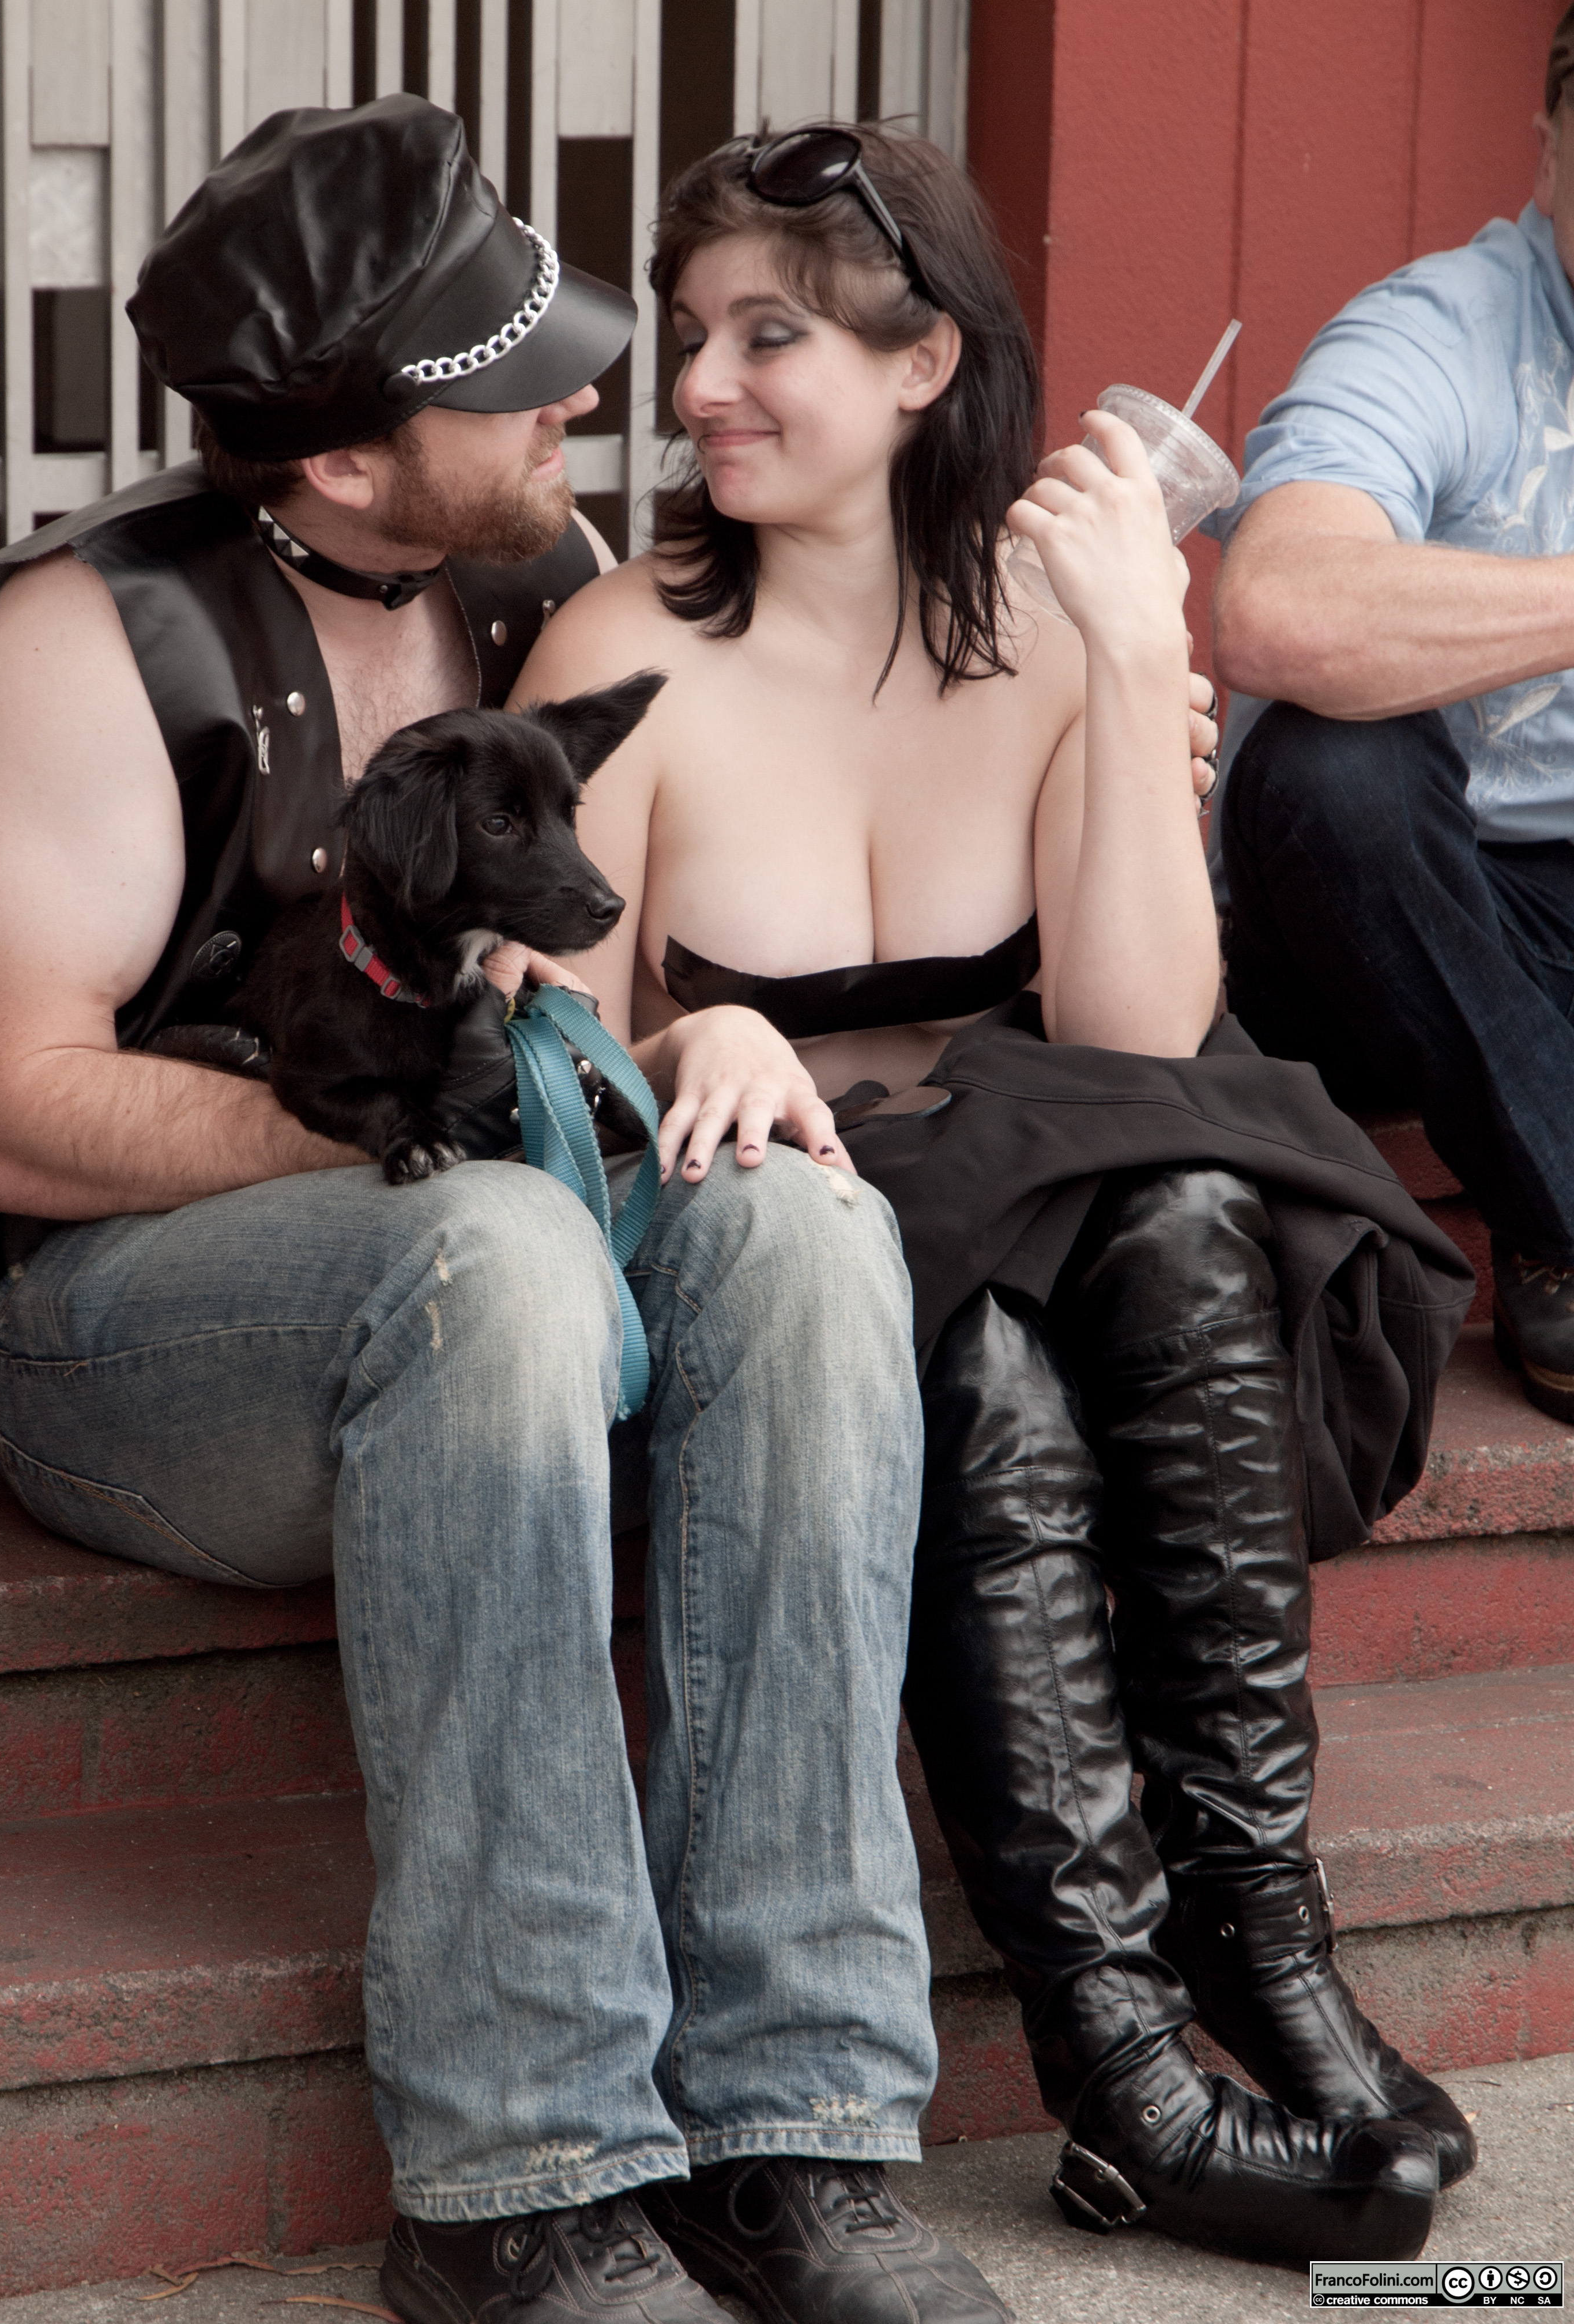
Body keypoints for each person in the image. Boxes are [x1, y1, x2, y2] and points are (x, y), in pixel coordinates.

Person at [0, 97, 1012, 2324]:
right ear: (352, 459)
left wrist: (714, 1053)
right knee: (500, 1249)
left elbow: (579, 1017)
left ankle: (797, 2134)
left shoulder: (542, 596)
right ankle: (521, 2171)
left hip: (486, 1279)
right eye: (516, 373)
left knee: (803, 1234)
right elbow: (12, 1116)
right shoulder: (107, 632)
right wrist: (415, 1155)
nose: (597, 387)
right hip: (135, 1334)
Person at [513, 121, 1473, 2273]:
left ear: (926, 360)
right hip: (790, 1265)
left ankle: (1251, 1936)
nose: (697, 386)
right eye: (689, 338)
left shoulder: (1048, 635)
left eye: (769, 335)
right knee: (978, 1323)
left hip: (1052, 1225)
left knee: (1177, 1202)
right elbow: (531, 1064)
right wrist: (690, 1038)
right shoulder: (618, 649)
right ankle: (1122, 2063)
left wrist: (1136, 656)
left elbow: (1133, 1043)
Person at [1210, 5, 1574, 1427]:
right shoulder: (1440, 331)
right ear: (1548, 149)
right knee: (1329, 762)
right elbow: (1278, 609)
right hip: (1395, 924)